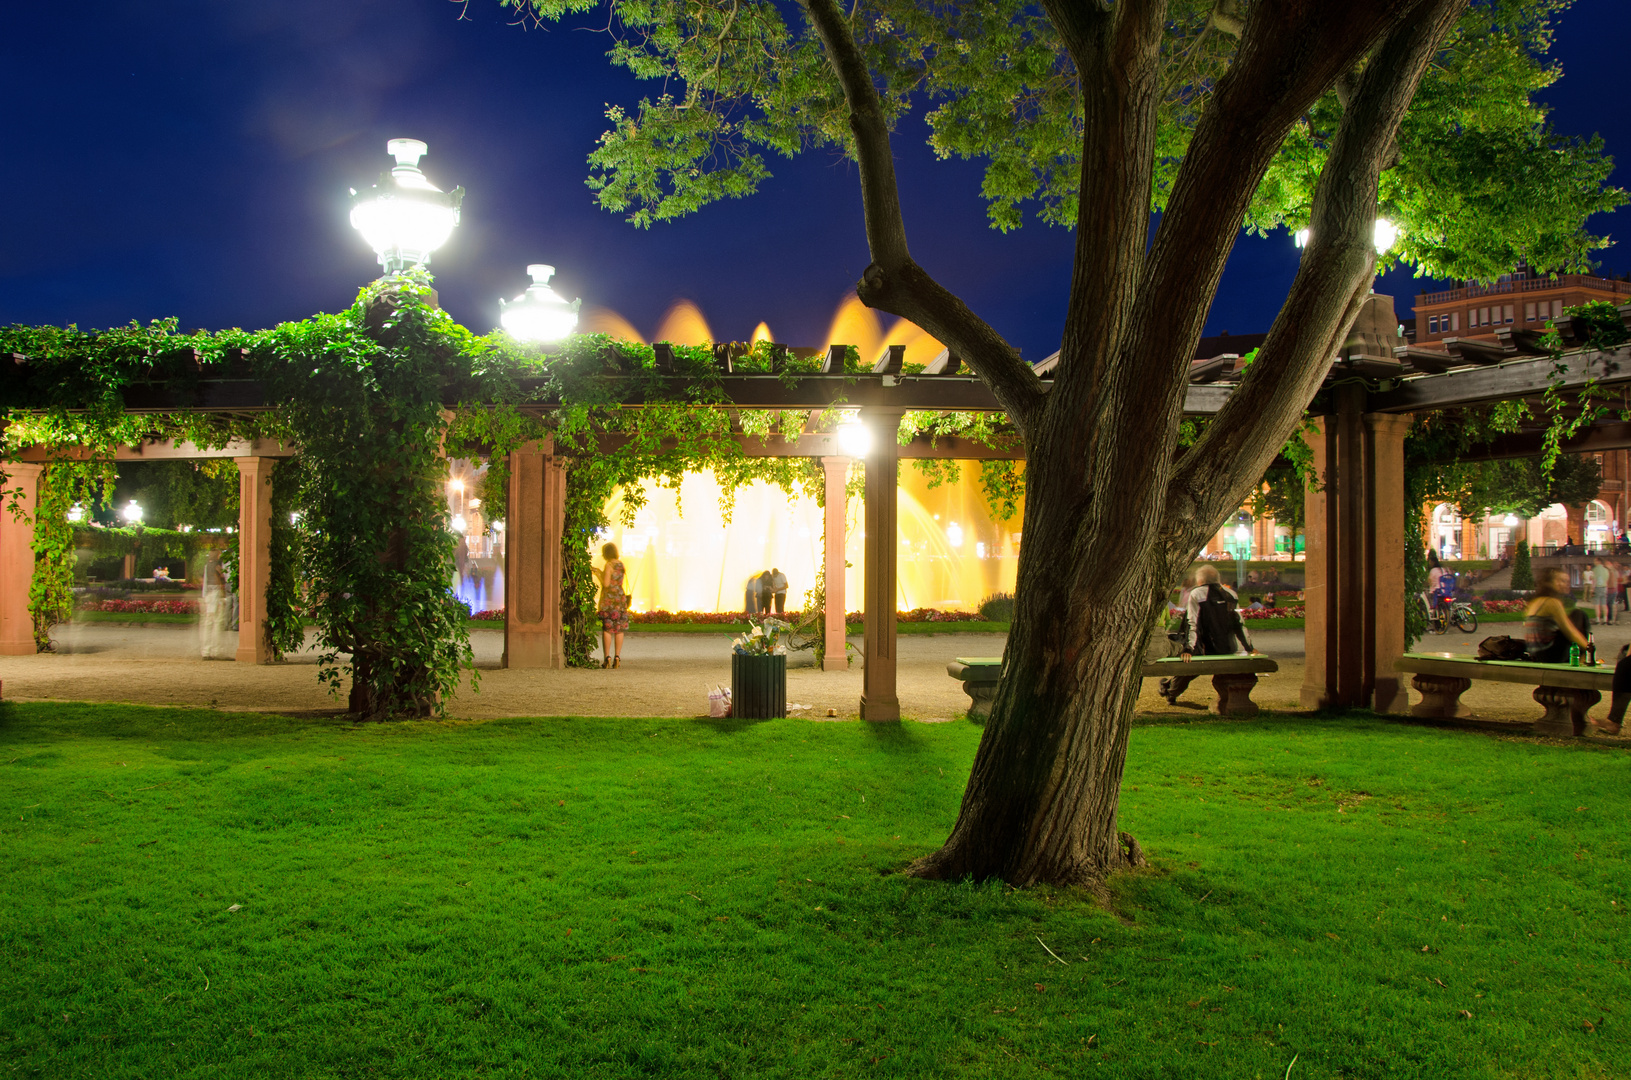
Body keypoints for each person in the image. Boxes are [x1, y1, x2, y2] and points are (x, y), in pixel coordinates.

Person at [1159, 564, 1258, 705]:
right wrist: (1249, 648)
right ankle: (1169, 687)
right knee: (1193, 666)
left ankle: (1170, 690)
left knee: (1190, 665)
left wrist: (1189, 649)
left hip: (1203, 648)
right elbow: (1239, 624)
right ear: (1218, 579)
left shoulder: (1197, 594)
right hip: (1227, 648)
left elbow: (1193, 623)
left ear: (1200, 580)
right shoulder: (1231, 594)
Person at [1523, 567, 1590, 664]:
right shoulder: (1552, 603)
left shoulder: (1536, 601)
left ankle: (1584, 655)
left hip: (1535, 655)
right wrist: (1590, 649)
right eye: (1562, 581)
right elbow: (1570, 632)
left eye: (1567, 581)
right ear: (1549, 583)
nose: (1566, 584)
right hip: (1550, 656)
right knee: (1579, 614)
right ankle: (1586, 656)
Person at [594, 542, 630, 668]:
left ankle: (607, 658)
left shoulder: (609, 565)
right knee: (619, 629)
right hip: (620, 599)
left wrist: (598, 573)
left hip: (609, 600)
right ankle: (617, 657)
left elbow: (606, 584)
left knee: (608, 629)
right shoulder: (621, 564)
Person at [1592, 557, 1613, 624]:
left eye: (1595, 561)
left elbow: (1594, 580)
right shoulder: (1606, 570)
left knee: (1597, 604)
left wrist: (1592, 589)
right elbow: (1607, 579)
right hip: (1604, 587)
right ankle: (1605, 618)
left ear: (1598, 561)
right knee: (1604, 604)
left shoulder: (1595, 570)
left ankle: (1598, 619)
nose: (1594, 562)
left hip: (1598, 587)